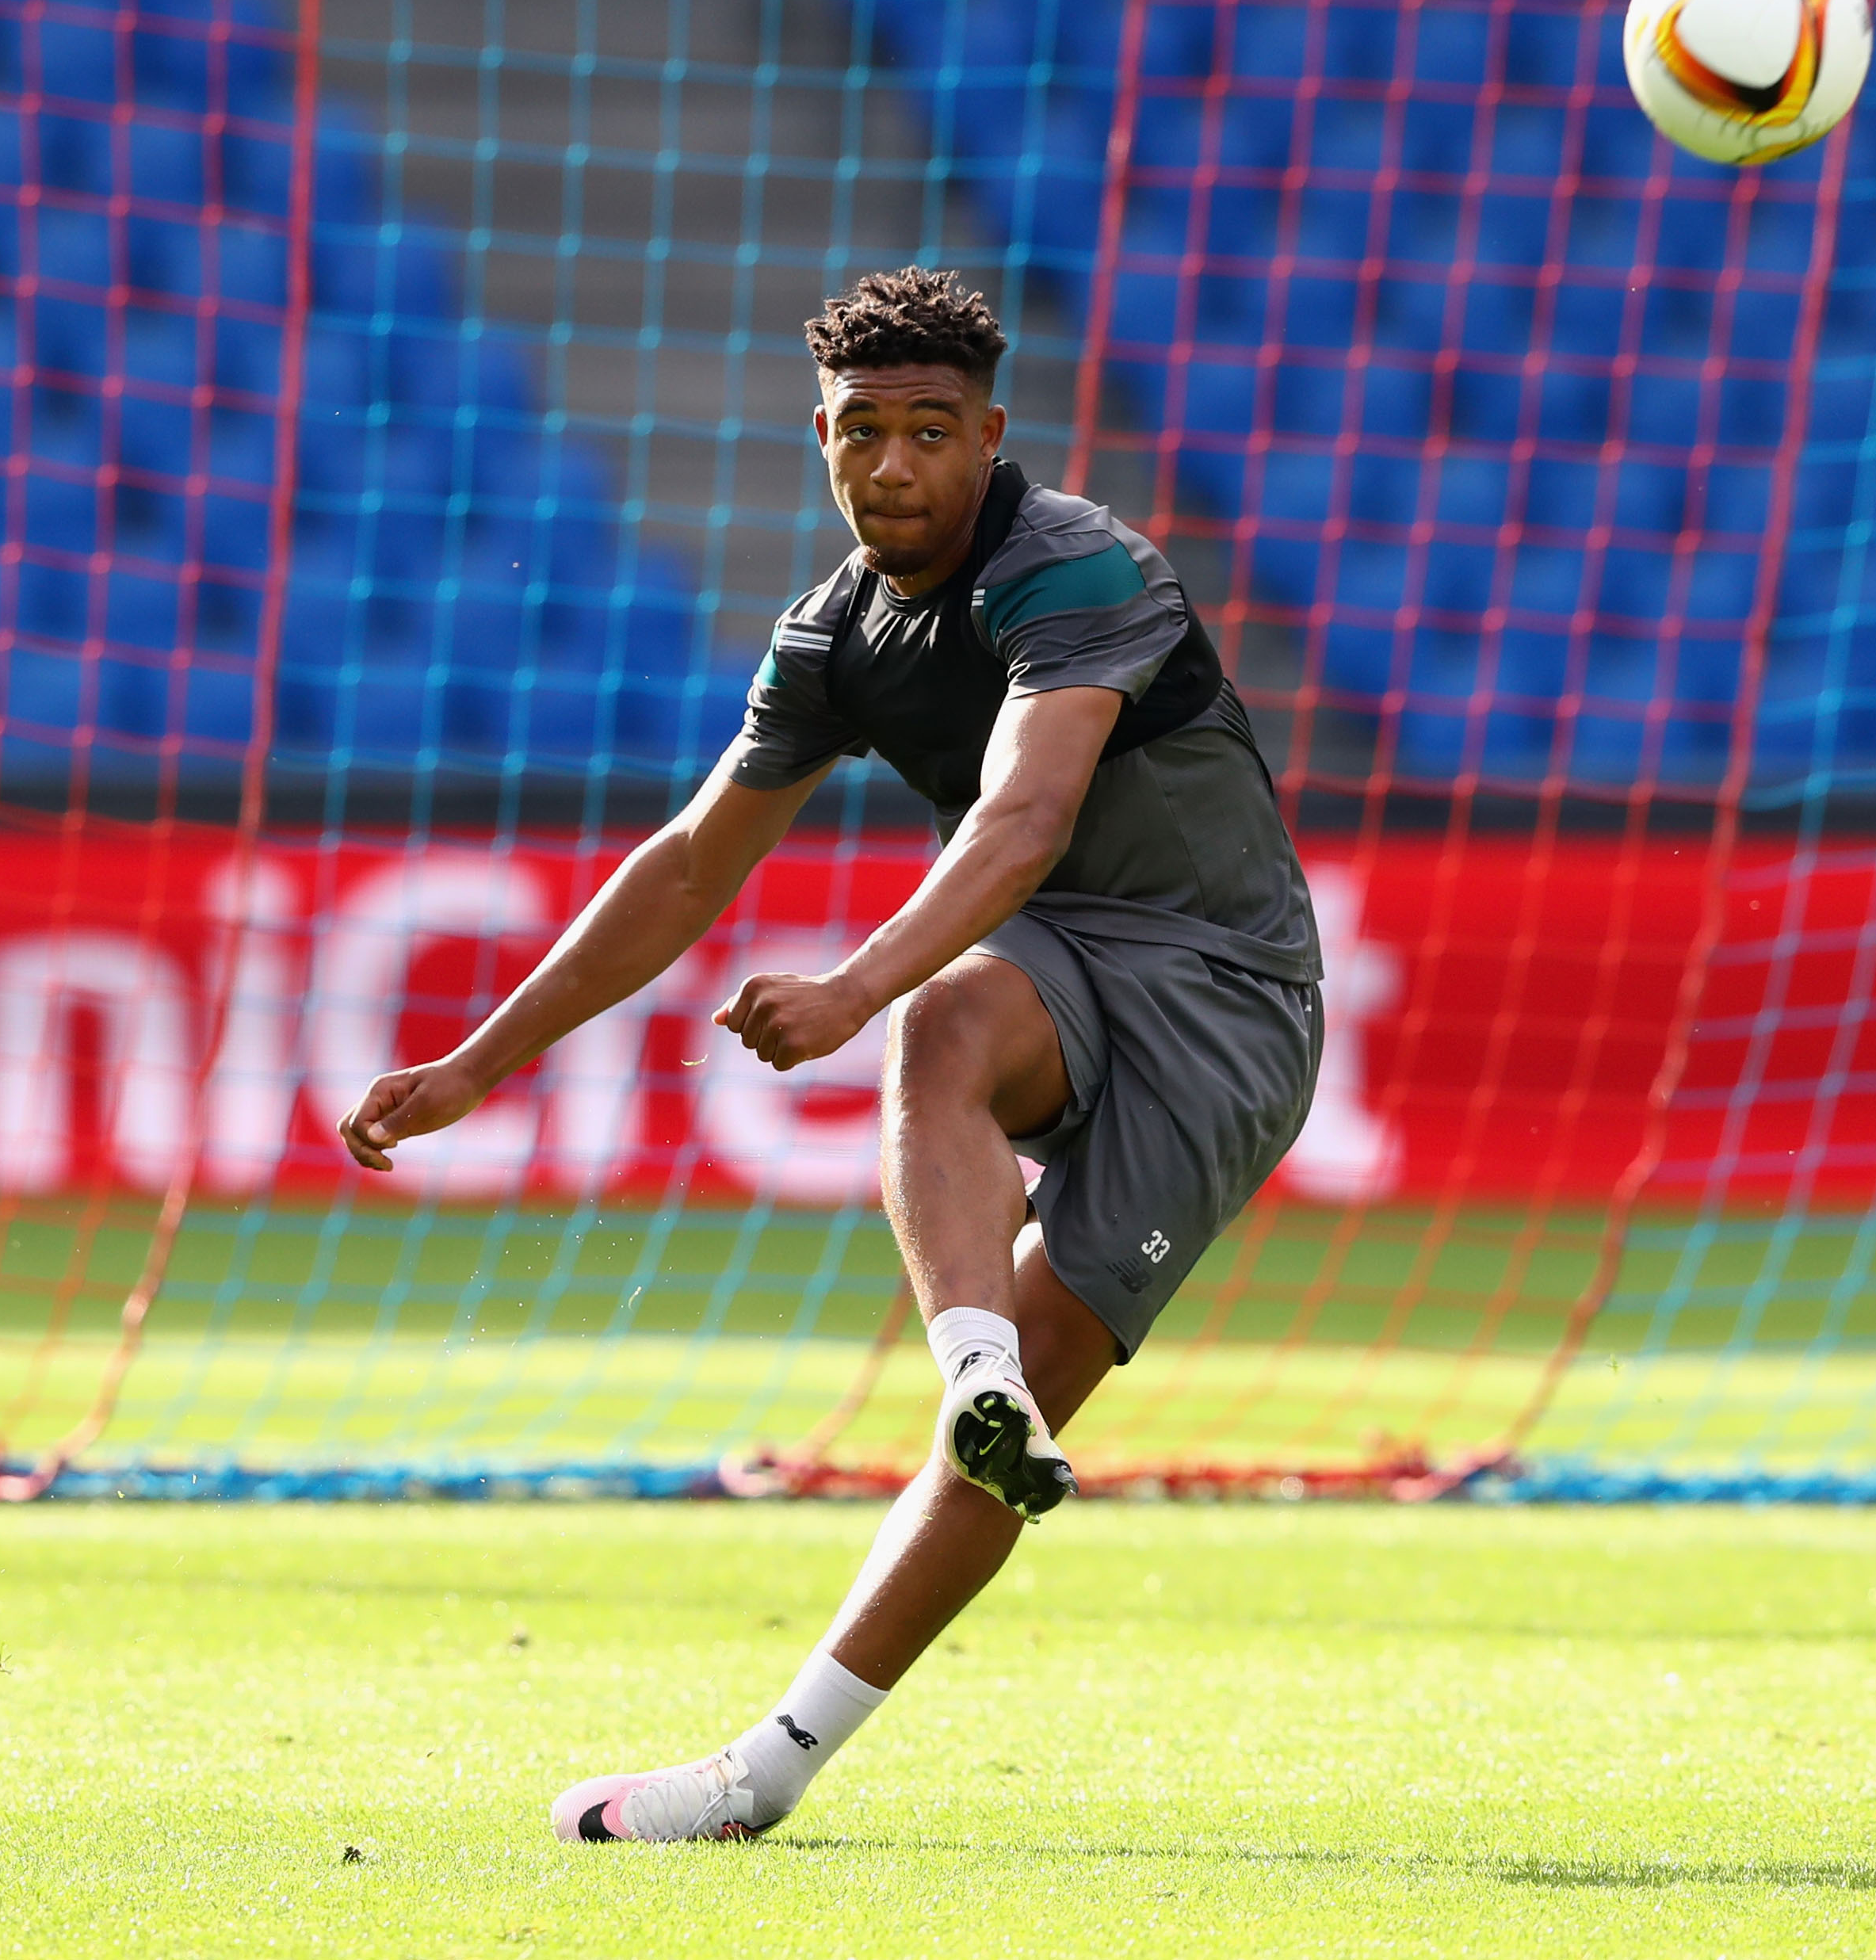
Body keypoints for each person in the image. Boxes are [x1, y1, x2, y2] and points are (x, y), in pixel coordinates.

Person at [334, 265, 1324, 1844]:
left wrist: (852, 986)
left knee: (934, 1055)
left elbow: (1025, 816)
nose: (894, 465)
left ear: (989, 435)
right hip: (1052, 968)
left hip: (1221, 998)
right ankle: (957, 1411)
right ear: (821, 436)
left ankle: (790, 1734)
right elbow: (687, 865)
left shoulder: (1074, 563)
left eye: (931, 430)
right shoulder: (833, 632)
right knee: (953, 1030)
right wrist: (475, 1064)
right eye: (863, 430)